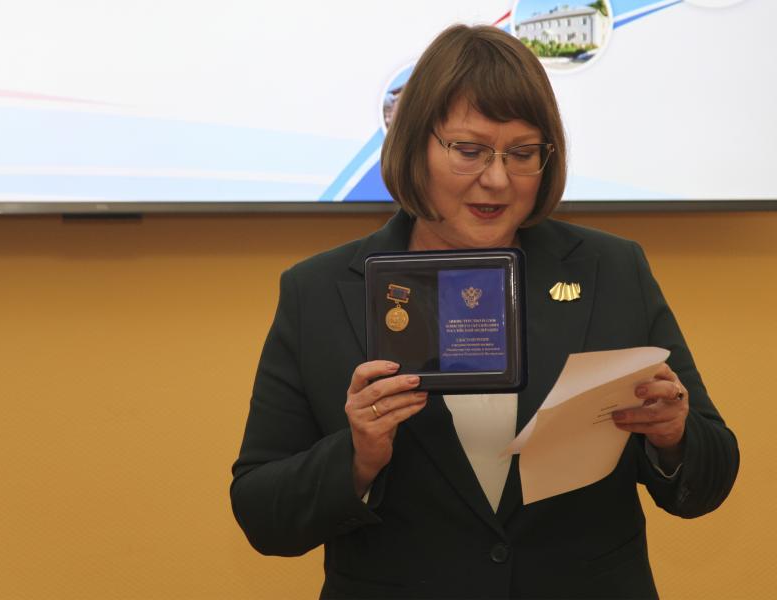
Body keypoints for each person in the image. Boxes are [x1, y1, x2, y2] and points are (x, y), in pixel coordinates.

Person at [231, 24, 738, 599]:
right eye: (469, 151)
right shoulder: (319, 291)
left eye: (522, 154)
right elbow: (261, 512)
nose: (497, 179)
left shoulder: (612, 271)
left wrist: (673, 436)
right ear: (414, 146)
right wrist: (357, 457)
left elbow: (712, 474)